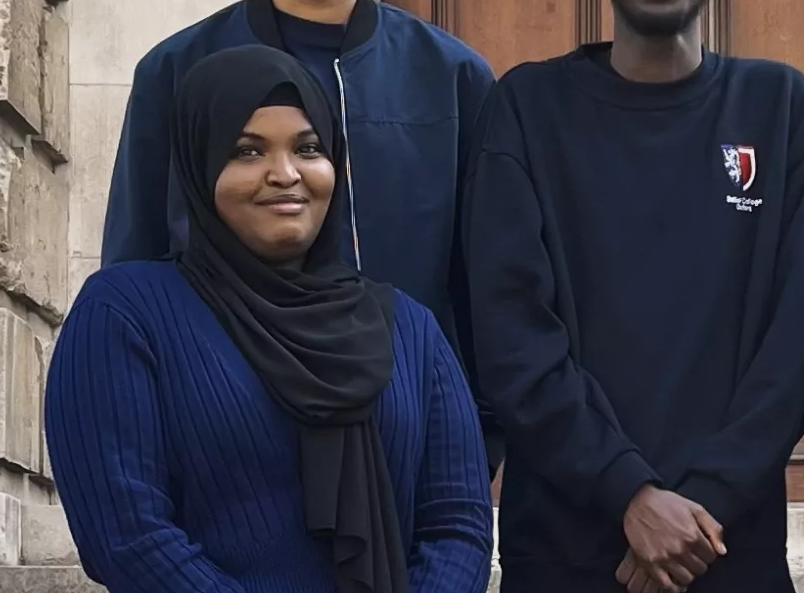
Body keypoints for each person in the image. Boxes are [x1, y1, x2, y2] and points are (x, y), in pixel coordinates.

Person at [462, 0, 804, 593]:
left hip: (730, 547)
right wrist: (629, 492)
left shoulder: (780, 108)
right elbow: (512, 335)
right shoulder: (528, 109)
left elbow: (795, 345)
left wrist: (699, 506)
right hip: (567, 551)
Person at [98, 0, 501, 466]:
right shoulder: (178, 71)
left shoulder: (455, 77)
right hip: (229, 438)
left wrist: (480, 438)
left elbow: (490, 281)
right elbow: (136, 267)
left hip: (411, 435)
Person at [47, 45, 493, 593]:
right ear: (199, 163)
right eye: (246, 151)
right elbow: (127, 533)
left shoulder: (409, 329)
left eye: (307, 148)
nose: (285, 174)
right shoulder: (125, 313)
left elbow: (458, 525)